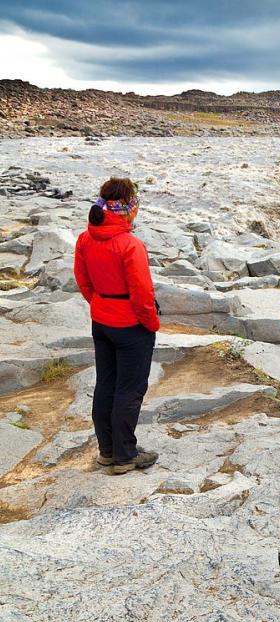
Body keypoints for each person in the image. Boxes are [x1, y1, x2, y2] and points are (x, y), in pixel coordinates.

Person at [74, 177, 160, 475]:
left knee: (106, 385)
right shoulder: (130, 245)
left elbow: (84, 282)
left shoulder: (86, 238)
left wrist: (101, 304)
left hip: (102, 321)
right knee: (130, 389)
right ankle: (125, 456)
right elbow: (142, 294)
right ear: (127, 209)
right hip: (130, 325)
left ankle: (107, 451)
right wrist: (151, 323)